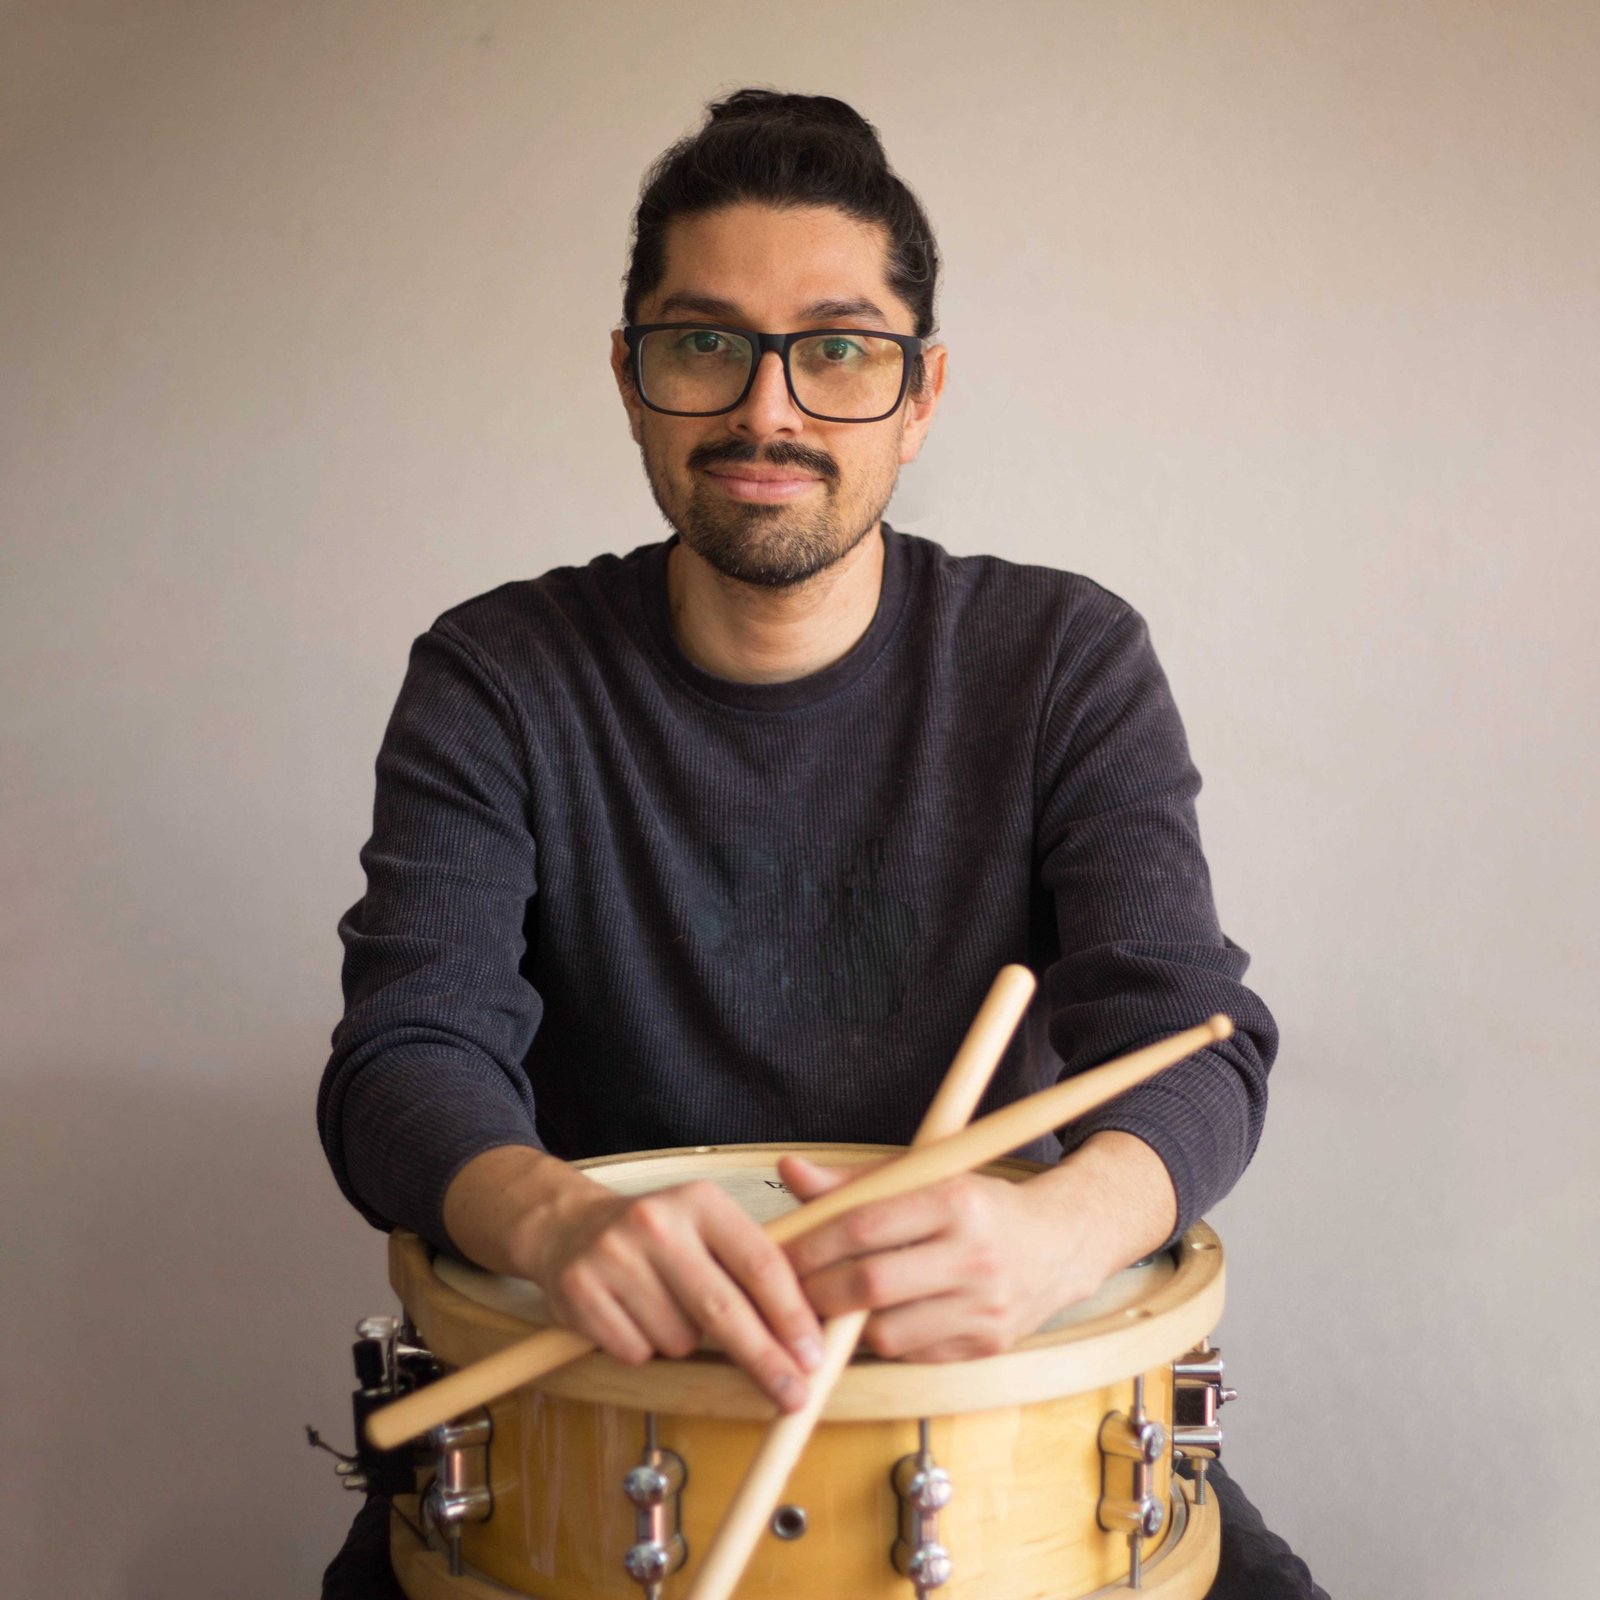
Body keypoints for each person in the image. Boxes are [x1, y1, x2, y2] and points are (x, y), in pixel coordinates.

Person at [318, 88, 1324, 1600]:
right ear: (631, 379)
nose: (768, 410)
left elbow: (1196, 1043)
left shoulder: (1064, 657)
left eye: (839, 349)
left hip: (990, 1400)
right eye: (704, 343)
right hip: (604, 1387)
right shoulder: (498, 673)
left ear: (921, 395)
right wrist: (557, 1218)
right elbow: (404, 1052)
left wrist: (1056, 1235)